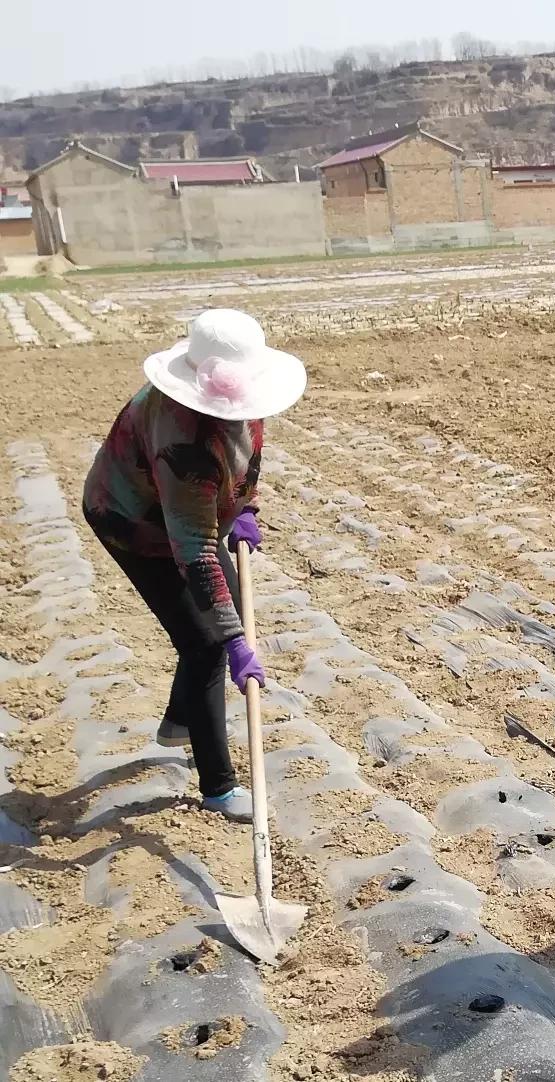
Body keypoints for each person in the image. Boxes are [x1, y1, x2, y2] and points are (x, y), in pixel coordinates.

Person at [82, 308, 307, 823]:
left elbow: (244, 451)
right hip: (134, 522)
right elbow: (196, 550)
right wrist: (233, 642)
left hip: (182, 516)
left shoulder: (238, 401)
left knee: (206, 629)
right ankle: (219, 786)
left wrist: (244, 506)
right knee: (207, 643)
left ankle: (180, 719)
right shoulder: (182, 444)